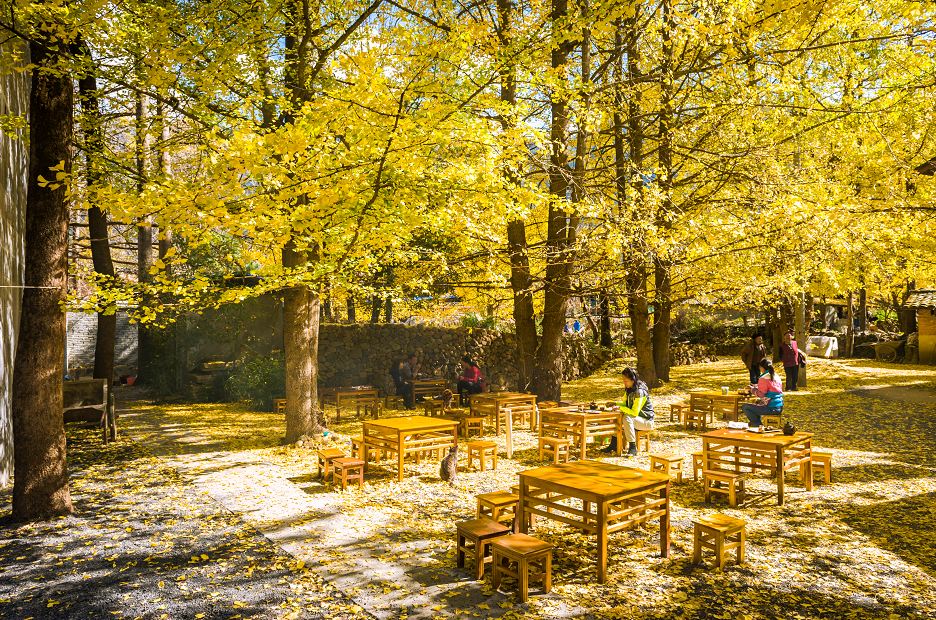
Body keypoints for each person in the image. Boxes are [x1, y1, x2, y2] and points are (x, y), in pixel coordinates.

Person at [600, 367, 654, 457]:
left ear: (633, 380)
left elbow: (634, 412)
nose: (624, 383)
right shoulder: (629, 389)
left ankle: (633, 447)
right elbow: (626, 405)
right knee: (617, 416)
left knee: (626, 417)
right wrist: (615, 404)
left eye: (626, 381)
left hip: (646, 421)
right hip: (636, 419)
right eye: (623, 381)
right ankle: (614, 444)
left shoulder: (639, 391)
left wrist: (620, 408)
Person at [741, 358, 783, 427]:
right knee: (756, 403)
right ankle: (754, 424)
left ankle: (758, 425)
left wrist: (752, 389)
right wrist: (756, 387)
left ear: (761, 367)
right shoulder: (776, 376)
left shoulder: (764, 378)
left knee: (745, 407)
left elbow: (761, 394)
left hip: (771, 407)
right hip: (779, 406)